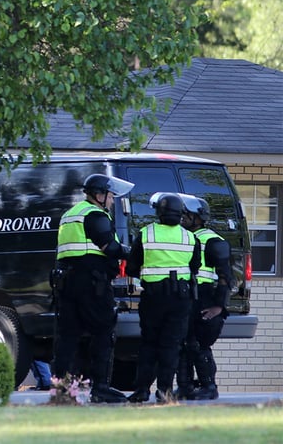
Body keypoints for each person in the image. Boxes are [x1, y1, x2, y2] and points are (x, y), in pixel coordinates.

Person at [51, 173, 134, 404]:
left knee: (68, 336)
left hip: (67, 283)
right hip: (92, 284)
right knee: (103, 332)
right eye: (110, 196)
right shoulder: (95, 215)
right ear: (99, 195)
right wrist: (133, 252)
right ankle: (101, 387)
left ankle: (62, 389)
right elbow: (110, 247)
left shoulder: (70, 214)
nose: (112, 201)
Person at [126, 193, 201, 404]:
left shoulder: (146, 233)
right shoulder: (190, 237)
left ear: (158, 212)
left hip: (153, 297)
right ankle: (164, 392)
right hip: (180, 298)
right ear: (181, 214)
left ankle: (142, 390)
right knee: (171, 345)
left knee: (149, 343)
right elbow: (195, 267)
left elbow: (132, 267)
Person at [175, 194, 232, 400]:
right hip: (186, 297)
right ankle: (184, 386)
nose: (182, 218)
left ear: (198, 217)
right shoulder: (182, 237)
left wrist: (219, 306)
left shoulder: (213, 241)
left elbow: (226, 276)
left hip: (204, 297)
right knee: (183, 344)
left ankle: (209, 386)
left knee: (199, 344)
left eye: (186, 214)